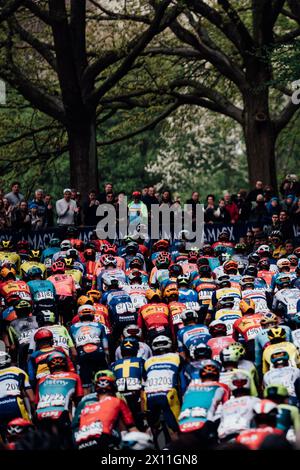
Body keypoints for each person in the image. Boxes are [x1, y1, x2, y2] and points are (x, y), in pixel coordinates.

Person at [74, 370, 137, 450]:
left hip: (81, 443)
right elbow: (132, 428)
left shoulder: (87, 408)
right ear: (114, 391)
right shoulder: (117, 401)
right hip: (103, 439)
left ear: (96, 394)